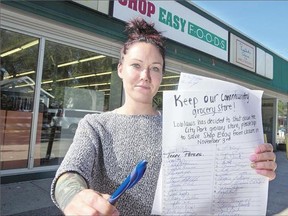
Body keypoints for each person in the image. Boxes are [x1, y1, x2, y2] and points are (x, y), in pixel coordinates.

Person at [51, 17, 277, 216]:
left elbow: (218, 176)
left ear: (161, 75)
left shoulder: (182, 125)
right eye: (136, 65)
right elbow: (70, 172)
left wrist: (254, 168)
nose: (145, 76)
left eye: (155, 68)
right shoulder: (96, 125)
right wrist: (74, 197)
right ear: (120, 69)